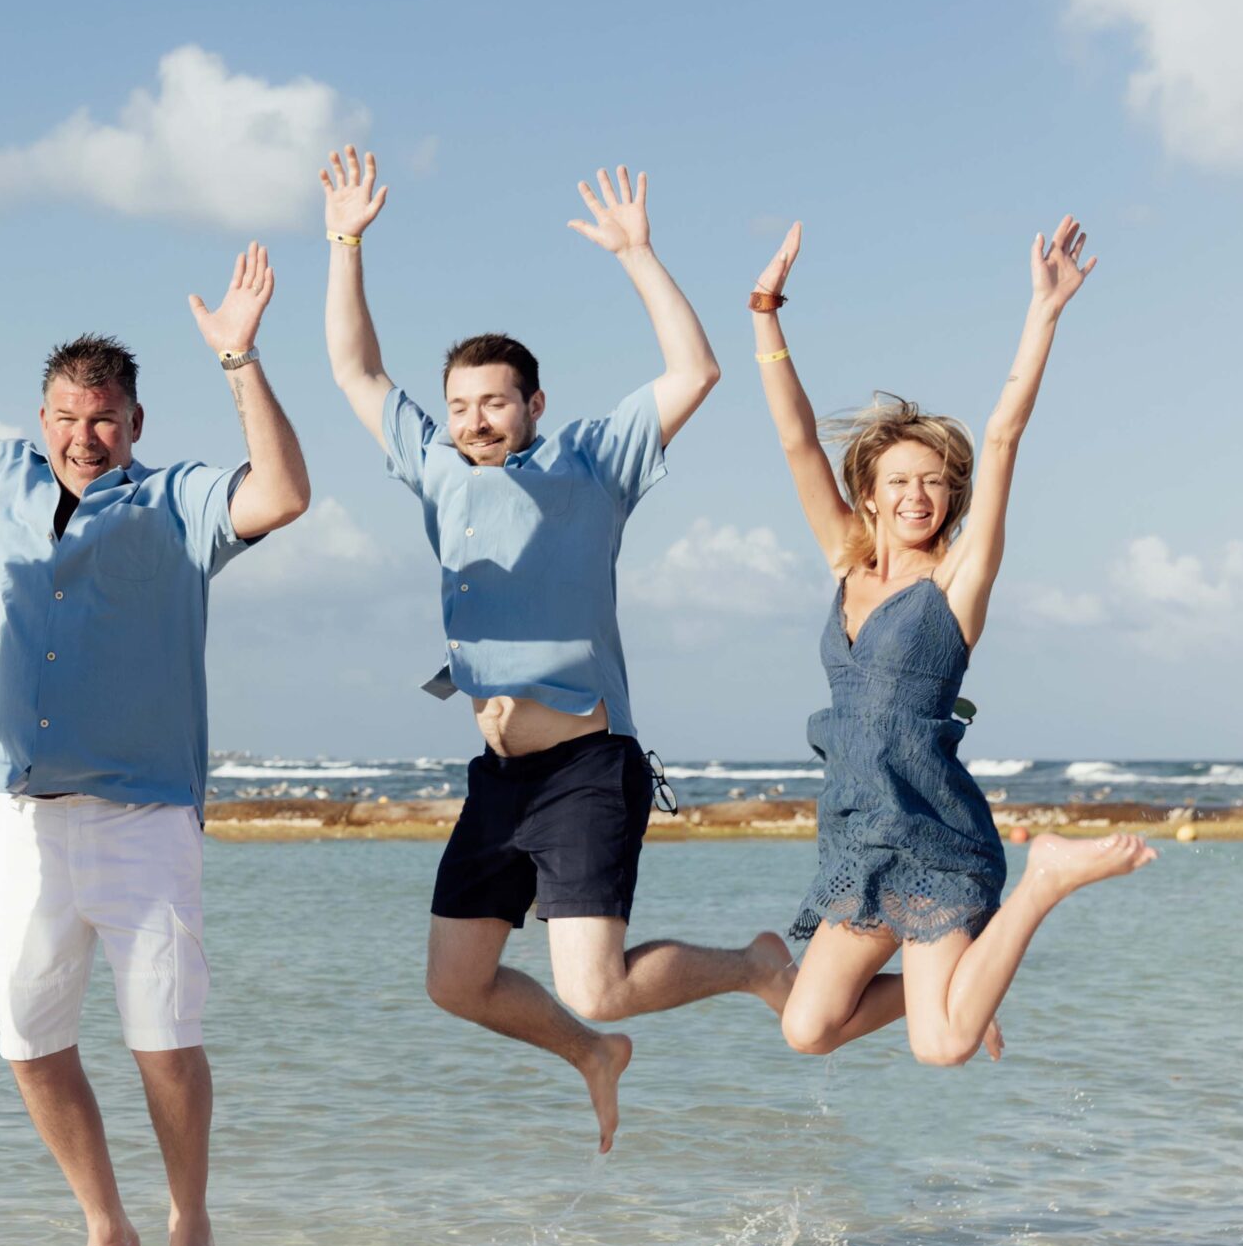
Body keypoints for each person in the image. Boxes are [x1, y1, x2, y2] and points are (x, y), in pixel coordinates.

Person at [0, 238, 311, 1246]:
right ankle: (106, 1224)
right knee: (27, 1038)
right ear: (40, 414)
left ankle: (188, 1220)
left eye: (103, 419)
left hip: (146, 815)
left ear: (136, 424)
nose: (81, 437)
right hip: (20, 820)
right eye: (64, 415)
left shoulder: (180, 504)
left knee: (164, 1042)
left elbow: (284, 493)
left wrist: (241, 361)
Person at [320, 149, 791, 1154]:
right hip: (498, 777)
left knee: (601, 983)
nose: (473, 420)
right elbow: (356, 372)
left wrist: (637, 254)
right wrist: (344, 244)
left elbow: (693, 371)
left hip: (583, 765)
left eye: (493, 401)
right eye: (458, 405)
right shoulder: (436, 471)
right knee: (456, 985)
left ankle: (753, 965)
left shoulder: (592, 462)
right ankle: (589, 1054)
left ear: (532, 403)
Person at [751, 217, 1153, 1063]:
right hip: (858, 835)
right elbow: (795, 440)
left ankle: (1041, 880)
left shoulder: (957, 580)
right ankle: (976, 977)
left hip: (935, 834)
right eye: (899, 480)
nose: (917, 496)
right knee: (807, 1026)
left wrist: (1043, 311)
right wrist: (764, 313)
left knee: (944, 1047)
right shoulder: (844, 559)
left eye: (935, 483)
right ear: (868, 492)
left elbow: (1004, 436)